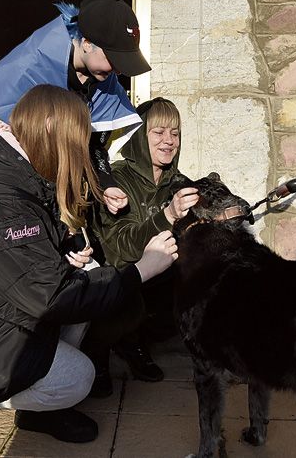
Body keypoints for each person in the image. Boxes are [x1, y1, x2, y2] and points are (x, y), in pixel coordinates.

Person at [0, 85, 178, 448]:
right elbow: (53, 297)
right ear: (53, 139)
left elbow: (24, 254)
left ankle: (39, 408)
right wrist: (143, 269)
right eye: (77, 144)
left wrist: (64, 250)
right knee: (77, 378)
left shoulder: (14, 173)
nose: (81, 156)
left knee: (84, 278)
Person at [0, 0, 152, 214]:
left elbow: (91, 143)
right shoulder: (25, 71)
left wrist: (105, 183)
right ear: (86, 43)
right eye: (114, 59)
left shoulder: (104, 79)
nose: (120, 70)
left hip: (46, 200)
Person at [85, 98, 198, 396]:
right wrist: (168, 215)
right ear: (139, 135)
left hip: (158, 279)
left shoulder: (178, 182)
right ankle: (98, 352)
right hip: (118, 277)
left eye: (175, 133)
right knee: (126, 302)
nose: (169, 141)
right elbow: (122, 247)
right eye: (158, 131)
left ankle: (133, 341)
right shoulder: (116, 180)